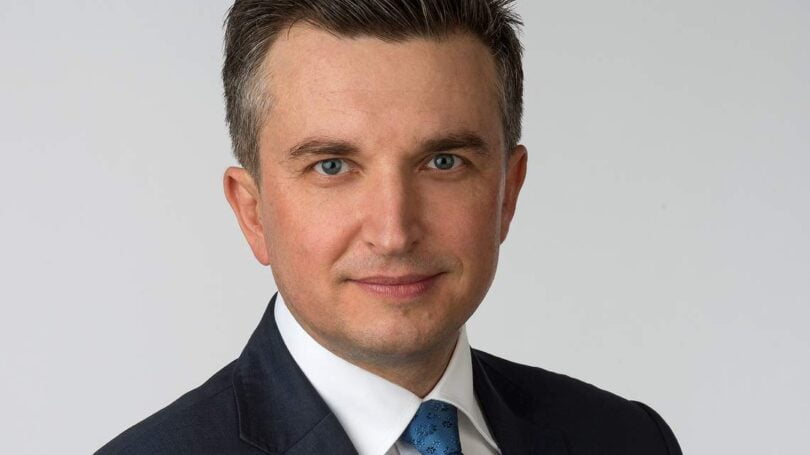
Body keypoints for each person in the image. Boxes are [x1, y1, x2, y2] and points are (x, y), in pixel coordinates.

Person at [98, 1, 681, 454]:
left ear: (508, 192)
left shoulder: (628, 441)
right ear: (252, 212)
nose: (394, 232)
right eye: (332, 166)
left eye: (443, 162)